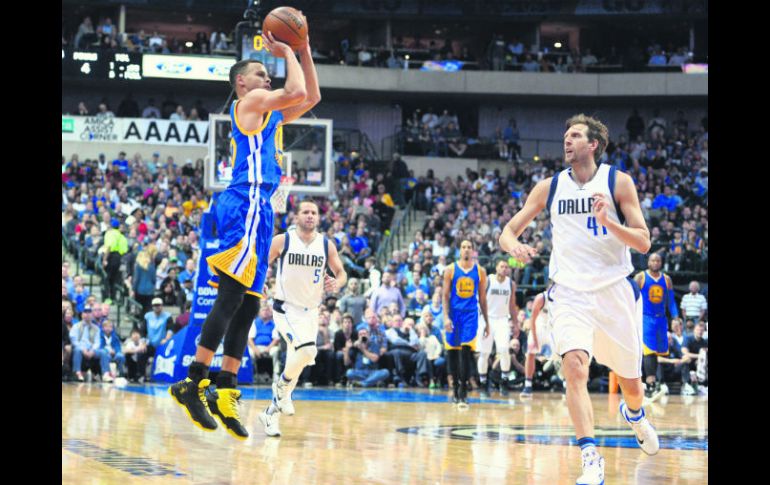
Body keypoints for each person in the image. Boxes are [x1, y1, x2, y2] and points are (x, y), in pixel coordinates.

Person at [169, 27, 320, 441]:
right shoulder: (249, 102)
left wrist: (305, 49)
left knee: (250, 304)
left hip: (262, 208)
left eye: (267, 75)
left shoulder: (271, 116)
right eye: (259, 74)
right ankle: (193, 380)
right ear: (241, 82)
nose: (266, 79)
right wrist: (288, 51)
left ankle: (225, 387)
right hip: (245, 201)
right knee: (231, 297)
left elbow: (311, 96)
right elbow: (294, 89)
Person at [499, 114, 659, 484]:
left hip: (613, 291)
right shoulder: (550, 187)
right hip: (568, 292)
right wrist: (514, 247)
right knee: (574, 367)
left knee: (633, 387)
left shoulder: (618, 182)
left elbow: (643, 242)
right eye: (565, 135)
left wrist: (610, 223)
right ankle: (590, 457)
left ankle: (635, 415)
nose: (567, 140)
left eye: (574, 135)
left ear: (593, 144)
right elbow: (507, 231)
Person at [259, 200, 347, 437]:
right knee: (307, 351)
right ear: (296, 217)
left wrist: (336, 283)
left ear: (318, 218)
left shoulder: (326, 244)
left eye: (314, 213)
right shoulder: (283, 240)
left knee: (298, 362)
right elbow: (261, 262)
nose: (310, 215)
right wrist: (260, 283)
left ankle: (270, 413)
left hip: (311, 311)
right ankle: (282, 388)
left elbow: (342, 273)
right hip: (285, 309)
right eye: (305, 212)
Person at [443, 239, 490, 409]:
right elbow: (445, 295)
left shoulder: (480, 271)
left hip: (470, 315)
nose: (466, 250)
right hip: (454, 314)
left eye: (469, 247)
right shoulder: (450, 269)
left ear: (473, 251)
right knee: (453, 353)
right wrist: (445, 317)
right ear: (459, 250)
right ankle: (455, 388)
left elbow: (483, 299)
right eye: (463, 247)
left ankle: (463, 391)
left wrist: (487, 322)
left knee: (465, 352)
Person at [634, 253, 679, 402]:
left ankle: (653, 383)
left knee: (659, 353)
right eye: (653, 260)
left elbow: (671, 301)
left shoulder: (667, 279)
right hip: (645, 318)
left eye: (658, 260)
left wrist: (675, 317)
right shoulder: (640, 277)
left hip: (661, 319)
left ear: (661, 263)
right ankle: (650, 384)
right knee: (649, 351)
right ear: (648, 262)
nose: (655, 262)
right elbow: (632, 297)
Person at [477, 260, 518, 397]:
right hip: (487, 318)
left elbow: (512, 305)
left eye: (506, 267)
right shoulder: (488, 280)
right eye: (502, 266)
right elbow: (480, 300)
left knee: (504, 350)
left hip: (502, 320)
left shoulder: (511, 284)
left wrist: (516, 323)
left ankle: (504, 381)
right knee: (484, 353)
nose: (504, 269)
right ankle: (483, 383)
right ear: (496, 268)